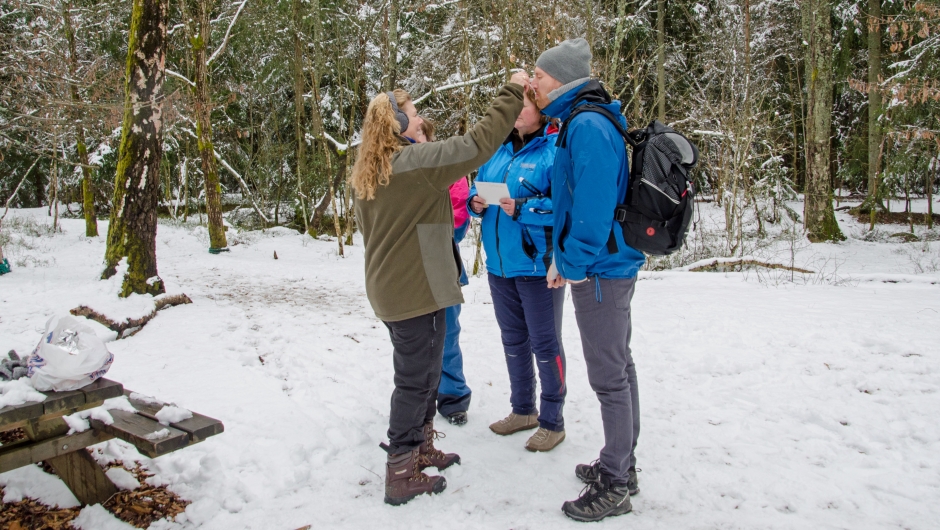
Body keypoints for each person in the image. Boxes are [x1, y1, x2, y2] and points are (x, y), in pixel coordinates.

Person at [352, 71, 529, 506]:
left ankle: (420, 445)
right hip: (414, 293)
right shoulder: (416, 163)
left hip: (395, 290)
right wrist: (511, 91)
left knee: (427, 376)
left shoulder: (373, 171)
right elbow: (476, 146)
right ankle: (400, 469)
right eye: (413, 115)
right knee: (415, 382)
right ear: (396, 125)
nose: (420, 120)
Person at [532, 38, 646, 522]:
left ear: (558, 79)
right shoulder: (579, 121)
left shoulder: (588, 125)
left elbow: (593, 213)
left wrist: (570, 262)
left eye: (537, 75)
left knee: (608, 377)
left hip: (600, 268)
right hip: (602, 266)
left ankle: (617, 483)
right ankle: (623, 464)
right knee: (619, 366)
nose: (531, 82)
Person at [468, 86, 567, 452]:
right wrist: (476, 202)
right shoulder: (497, 148)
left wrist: (522, 208)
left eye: (524, 105)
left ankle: (552, 421)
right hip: (499, 266)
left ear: (541, 109)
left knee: (545, 343)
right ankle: (522, 409)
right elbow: (476, 192)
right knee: (513, 342)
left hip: (537, 266)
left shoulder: (555, 149)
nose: (517, 112)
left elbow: (564, 206)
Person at [412, 118, 473, 427]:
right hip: (408, 269)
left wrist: (441, 231)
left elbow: (460, 212)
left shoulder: (443, 163)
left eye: (423, 130)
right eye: (414, 129)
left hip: (442, 261)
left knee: (447, 334)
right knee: (414, 341)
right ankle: (419, 397)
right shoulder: (395, 167)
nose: (418, 134)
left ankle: (453, 397)